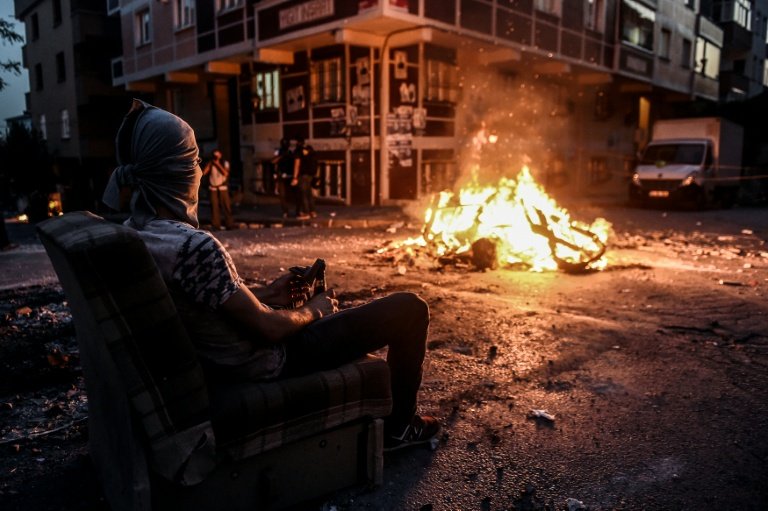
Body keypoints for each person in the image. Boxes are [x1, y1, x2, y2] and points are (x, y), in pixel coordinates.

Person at [102, 100, 440, 451]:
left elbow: (203, 302)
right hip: (270, 360)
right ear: (179, 171)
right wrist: (318, 309)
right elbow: (269, 328)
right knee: (410, 308)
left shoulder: (138, 234)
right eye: (195, 161)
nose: (200, 171)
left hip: (223, 357)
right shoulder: (193, 247)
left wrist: (266, 293)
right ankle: (400, 428)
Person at [202, 148, 234, 230]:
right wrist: (210, 164)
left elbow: (226, 173)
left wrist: (217, 164)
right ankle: (216, 225)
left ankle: (229, 224)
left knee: (226, 206)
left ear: (220, 155)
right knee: (214, 207)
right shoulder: (210, 163)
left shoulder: (225, 163)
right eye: (214, 155)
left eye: (217, 154)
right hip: (213, 188)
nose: (216, 156)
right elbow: (204, 173)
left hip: (223, 188)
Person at [291, 137, 317, 220]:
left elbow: (297, 164)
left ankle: (306, 213)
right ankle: (312, 211)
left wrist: (295, 177)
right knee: (309, 193)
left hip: (303, 175)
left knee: (303, 194)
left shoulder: (298, 151)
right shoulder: (310, 149)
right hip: (310, 175)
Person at [271, 138, 296, 219]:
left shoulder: (291, 152)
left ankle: (295, 210)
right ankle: (285, 211)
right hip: (281, 175)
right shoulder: (278, 152)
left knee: (291, 194)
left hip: (289, 175)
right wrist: (281, 156)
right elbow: (273, 161)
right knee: (282, 195)